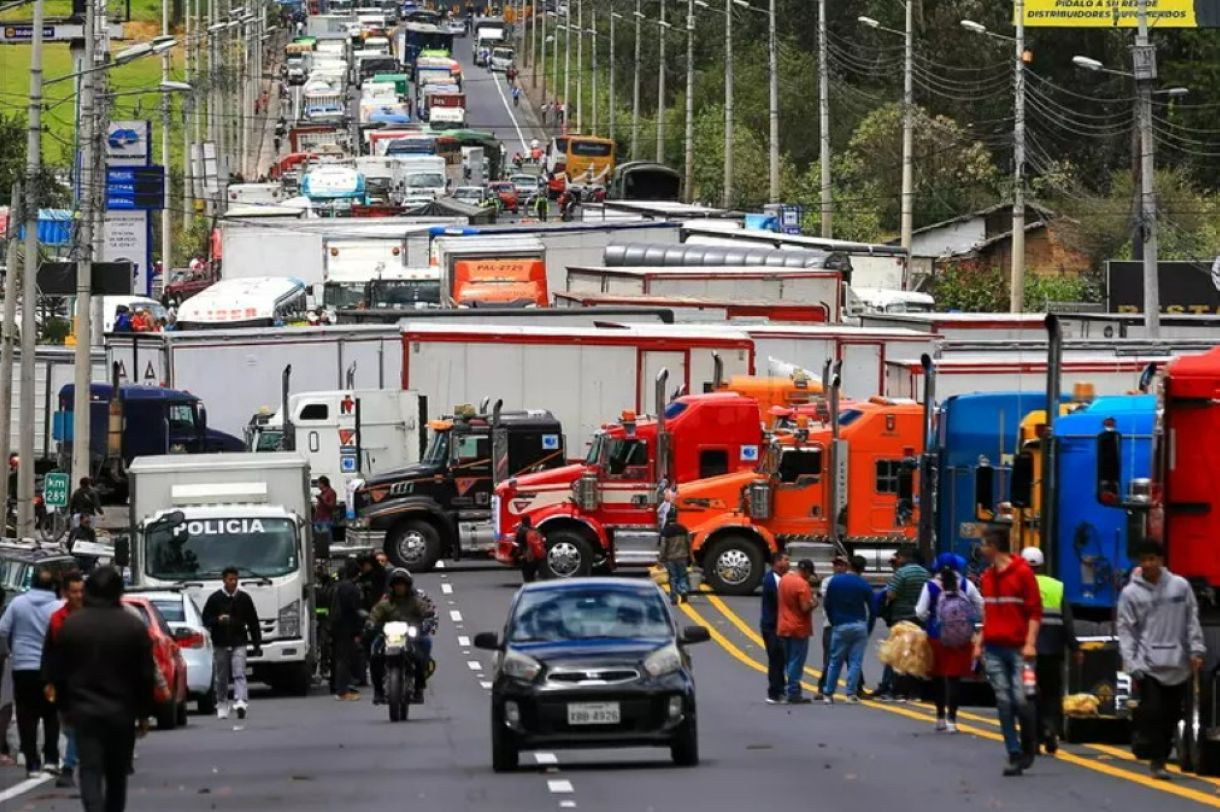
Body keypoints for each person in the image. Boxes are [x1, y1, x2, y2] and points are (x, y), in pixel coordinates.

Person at [44, 567, 152, 812]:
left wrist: (63, 708)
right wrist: (144, 713)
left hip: (84, 710)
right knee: (116, 772)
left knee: (90, 768)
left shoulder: (72, 626)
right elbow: (145, 674)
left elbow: (57, 670)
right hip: (121, 711)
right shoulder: (132, 626)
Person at [1118, 540, 1206, 780]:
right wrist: (1131, 663)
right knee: (1153, 711)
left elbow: (1192, 619)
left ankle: (1162, 752)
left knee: (1171, 714)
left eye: (1152, 559)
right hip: (1148, 665)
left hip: (1177, 663)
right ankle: (1157, 761)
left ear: (1161, 561)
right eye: (1143, 559)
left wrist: (1196, 650)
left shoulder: (1180, 587)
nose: (1147, 564)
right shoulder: (1131, 593)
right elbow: (1126, 629)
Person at [975, 525, 1042, 776]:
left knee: (1021, 699)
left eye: (984, 544)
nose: (981, 550)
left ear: (993, 546)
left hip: (1018, 649)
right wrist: (979, 641)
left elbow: (1035, 611)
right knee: (1003, 701)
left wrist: (1030, 643)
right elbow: (988, 612)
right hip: (993, 648)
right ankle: (1014, 752)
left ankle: (1028, 745)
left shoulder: (1023, 573)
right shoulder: (986, 578)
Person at [0, 564, 62, 777]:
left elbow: (3, 629)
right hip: (51, 671)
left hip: (23, 667)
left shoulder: (18, 604)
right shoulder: (57, 607)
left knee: (27, 715)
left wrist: (12, 648)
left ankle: (32, 762)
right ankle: (52, 758)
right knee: (51, 714)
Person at [1021, 546, 1081, 754]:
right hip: (1053, 651)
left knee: (1030, 695)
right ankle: (1051, 731)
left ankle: (1035, 738)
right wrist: (1075, 648)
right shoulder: (1056, 587)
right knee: (1052, 694)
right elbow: (1067, 621)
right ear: (1042, 565)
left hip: (1028, 653)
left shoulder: (1019, 586)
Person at [916, 552, 983, 733]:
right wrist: (970, 622)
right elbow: (980, 605)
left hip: (936, 637)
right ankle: (952, 719)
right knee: (954, 679)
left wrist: (932, 619)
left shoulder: (930, 586)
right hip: (960, 638)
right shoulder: (966, 584)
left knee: (938, 678)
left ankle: (939, 718)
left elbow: (920, 612)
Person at [201, 567, 262, 721]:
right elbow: (205, 619)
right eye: (230, 579)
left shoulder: (244, 599)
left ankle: (241, 701)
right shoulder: (214, 599)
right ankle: (222, 703)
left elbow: (253, 621)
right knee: (222, 676)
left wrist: (256, 643)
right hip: (220, 642)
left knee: (239, 671)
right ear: (224, 580)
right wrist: (217, 620)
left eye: (235, 579)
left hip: (239, 641)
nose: (233, 582)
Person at [368, 568, 438, 703]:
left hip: (409, 636)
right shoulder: (385, 603)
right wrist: (371, 623)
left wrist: (427, 614)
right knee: (375, 655)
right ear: (392, 587)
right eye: (397, 585)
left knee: (422, 651)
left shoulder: (415, 601)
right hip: (388, 636)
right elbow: (375, 614)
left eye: (402, 584)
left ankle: (419, 687)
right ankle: (378, 691)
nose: (399, 587)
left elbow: (425, 609)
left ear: (408, 586)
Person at [41, 570, 84, 787]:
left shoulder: (91, 616)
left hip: (88, 681)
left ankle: (69, 765)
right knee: (68, 726)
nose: (78, 596)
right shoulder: (57, 619)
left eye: (81, 591)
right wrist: (48, 680)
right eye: (74, 591)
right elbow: (49, 650)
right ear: (65, 593)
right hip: (64, 681)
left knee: (77, 725)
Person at [822, 555, 876, 704]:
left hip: (840, 624)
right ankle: (851, 693)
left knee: (834, 660)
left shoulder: (835, 581)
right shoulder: (864, 585)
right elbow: (873, 609)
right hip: (859, 625)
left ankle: (828, 693)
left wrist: (834, 621)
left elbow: (827, 603)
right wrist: (869, 628)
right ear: (863, 569)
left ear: (849, 565)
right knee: (855, 661)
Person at [884, 544, 930, 701]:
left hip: (901, 618)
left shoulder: (901, 573)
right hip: (918, 619)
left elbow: (891, 594)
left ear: (904, 557)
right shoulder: (925, 573)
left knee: (900, 655)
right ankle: (915, 693)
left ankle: (899, 691)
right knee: (915, 655)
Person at [777, 559, 818, 704]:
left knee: (788, 661)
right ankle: (793, 691)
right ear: (806, 571)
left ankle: (790, 688)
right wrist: (814, 603)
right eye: (809, 573)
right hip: (799, 628)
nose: (809, 577)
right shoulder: (802, 584)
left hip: (784, 625)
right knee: (796, 661)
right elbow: (805, 608)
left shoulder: (785, 579)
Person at [331, 559, 365, 701]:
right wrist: (358, 631)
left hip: (336, 626)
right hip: (347, 628)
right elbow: (354, 611)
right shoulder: (352, 589)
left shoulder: (337, 586)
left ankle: (340, 687)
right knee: (345, 660)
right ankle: (342, 691)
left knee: (339, 658)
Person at [816, 555, 849, 700]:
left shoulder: (850, 581)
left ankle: (857, 688)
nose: (838, 567)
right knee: (829, 659)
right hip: (830, 624)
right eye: (836, 565)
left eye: (841, 565)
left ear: (846, 567)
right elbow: (827, 597)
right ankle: (822, 688)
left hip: (847, 624)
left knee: (852, 658)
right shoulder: (827, 581)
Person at [760, 552, 790, 704]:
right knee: (776, 658)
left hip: (779, 624)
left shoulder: (782, 578)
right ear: (777, 562)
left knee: (781, 658)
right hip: (772, 625)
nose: (788, 563)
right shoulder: (771, 580)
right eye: (785, 560)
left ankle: (780, 687)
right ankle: (774, 691)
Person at [658, 523, 691, 605]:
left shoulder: (666, 531)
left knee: (673, 577)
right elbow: (689, 543)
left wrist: (661, 559)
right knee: (682, 576)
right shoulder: (683, 529)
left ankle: (674, 597)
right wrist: (690, 556)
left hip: (670, 558)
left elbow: (663, 546)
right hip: (683, 557)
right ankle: (683, 592)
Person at [514, 515, 545, 583]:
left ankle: (529, 588)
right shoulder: (535, 530)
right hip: (537, 556)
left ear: (522, 521)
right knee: (532, 575)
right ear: (530, 521)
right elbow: (543, 541)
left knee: (527, 576)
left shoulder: (521, 530)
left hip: (527, 557)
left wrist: (514, 556)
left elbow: (517, 544)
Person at [314, 476, 338, 552]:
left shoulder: (331, 492)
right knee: (319, 540)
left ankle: (328, 554)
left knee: (326, 539)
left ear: (323, 484)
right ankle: (320, 554)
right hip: (318, 519)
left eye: (318, 483)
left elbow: (332, 506)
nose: (317, 485)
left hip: (326, 519)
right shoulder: (322, 493)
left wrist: (323, 500)